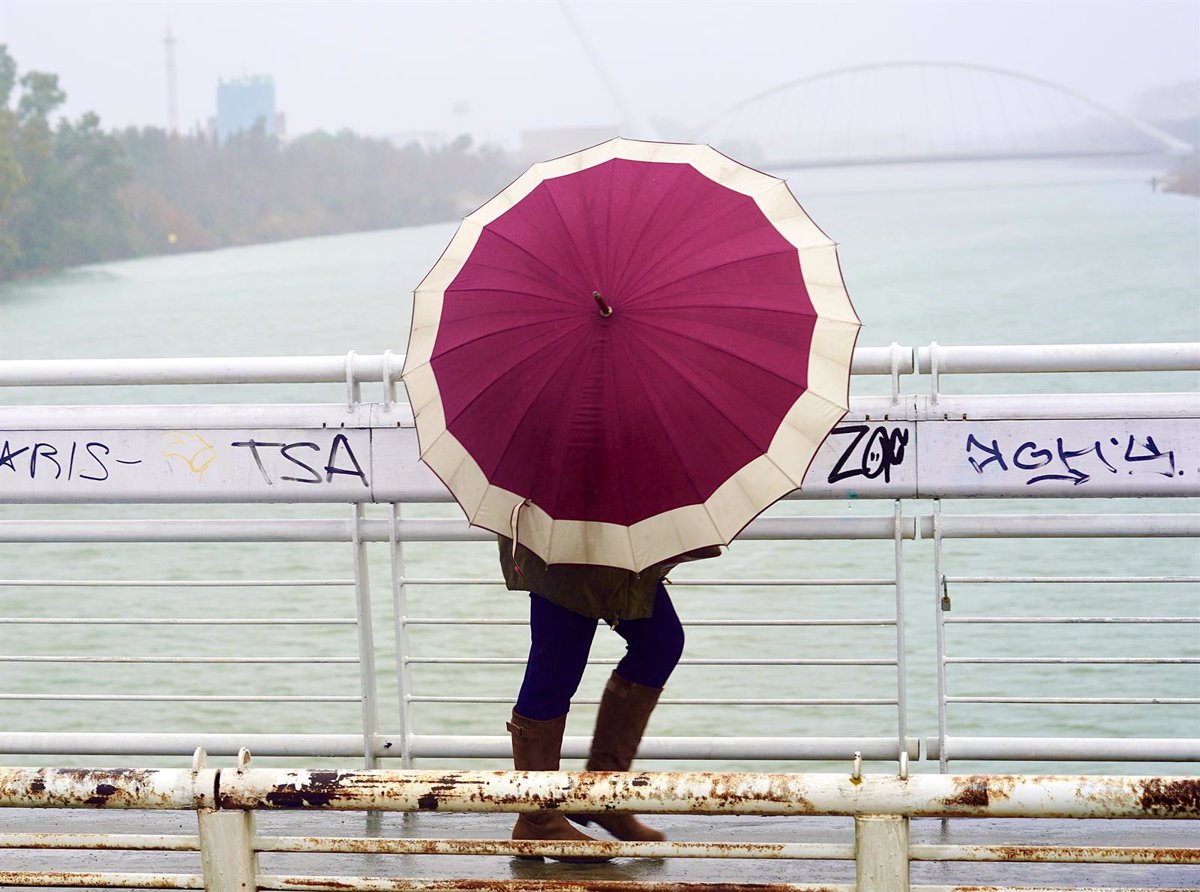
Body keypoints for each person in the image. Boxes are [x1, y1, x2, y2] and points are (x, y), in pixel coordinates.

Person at [498, 534, 721, 862]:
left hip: (613, 543)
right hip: (562, 545)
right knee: (555, 668)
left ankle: (602, 793)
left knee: (660, 644)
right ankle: (538, 817)